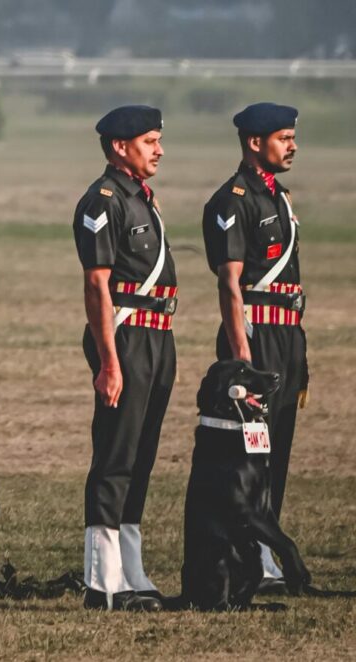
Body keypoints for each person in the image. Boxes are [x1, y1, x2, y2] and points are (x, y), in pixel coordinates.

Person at [72, 105, 177, 612]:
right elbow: (97, 286)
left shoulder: (142, 200)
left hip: (159, 337)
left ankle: (131, 571)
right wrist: (109, 362)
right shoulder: (104, 200)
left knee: (142, 455)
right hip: (126, 337)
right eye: (149, 141)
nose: (158, 149)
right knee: (116, 455)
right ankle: (102, 580)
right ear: (120, 147)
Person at [201, 102, 306, 592]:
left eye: (292, 137)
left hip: (287, 336)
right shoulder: (234, 200)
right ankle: (249, 560)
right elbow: (230, 283)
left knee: (277, 450)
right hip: (255, 338)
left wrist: (299, 359)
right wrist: (242, 357)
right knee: (249, 457)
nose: (292, 146)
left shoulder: (279, 198)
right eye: (283, 137)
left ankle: (266, 556)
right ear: (254, 142)